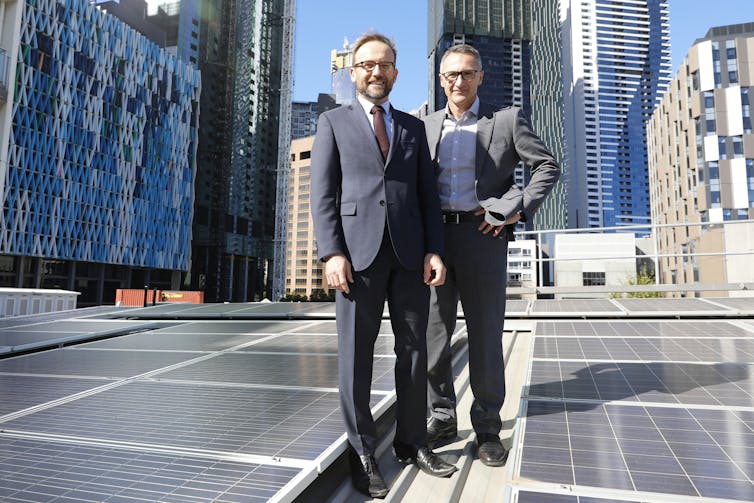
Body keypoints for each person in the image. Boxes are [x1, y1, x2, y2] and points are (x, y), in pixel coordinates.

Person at [309, 32, 457, 498]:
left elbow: (428, 198)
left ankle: (411, 443)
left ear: (396, 71)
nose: (376, 71)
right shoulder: (332, 122)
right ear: (353, 72)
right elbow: (322, 195)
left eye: (385, 64)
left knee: (414, 354)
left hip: (411, 256)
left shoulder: (413, 128)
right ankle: (362, 450)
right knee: (356, 357)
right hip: (355, 258)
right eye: (367, 64)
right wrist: (332, 252)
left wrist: (434, 249)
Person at [422, 44, 561, 467]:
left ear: (480, 76)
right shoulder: (424, 125)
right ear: (441, 80)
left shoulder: (506, 120)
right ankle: (442, 416)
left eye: (467, 74)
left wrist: (510, 208)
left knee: (485, 337)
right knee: (433, 339)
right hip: (435, 244)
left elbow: (547, 166)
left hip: (484, 239)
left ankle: (486, 428)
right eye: (450, 75)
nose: (458, 82)